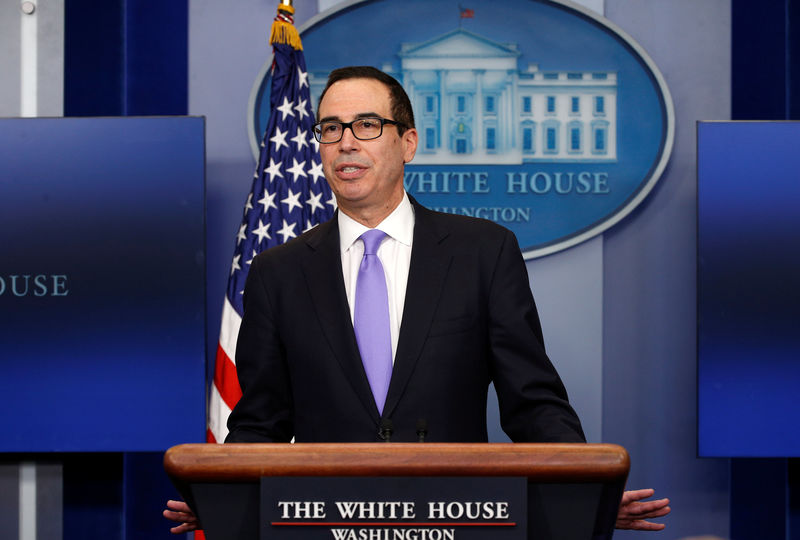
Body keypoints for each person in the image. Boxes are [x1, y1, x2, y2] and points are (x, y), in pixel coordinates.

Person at [164, 66, 670, 532]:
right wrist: (222, 492)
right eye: (330, 129)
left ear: (408, 143)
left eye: (366, 125)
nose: (345, 144)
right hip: (322, 522)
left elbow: (532, 400)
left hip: (457, 518)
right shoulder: (278, 271)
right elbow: (261, 421)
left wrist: (583, 488)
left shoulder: (481, 252)